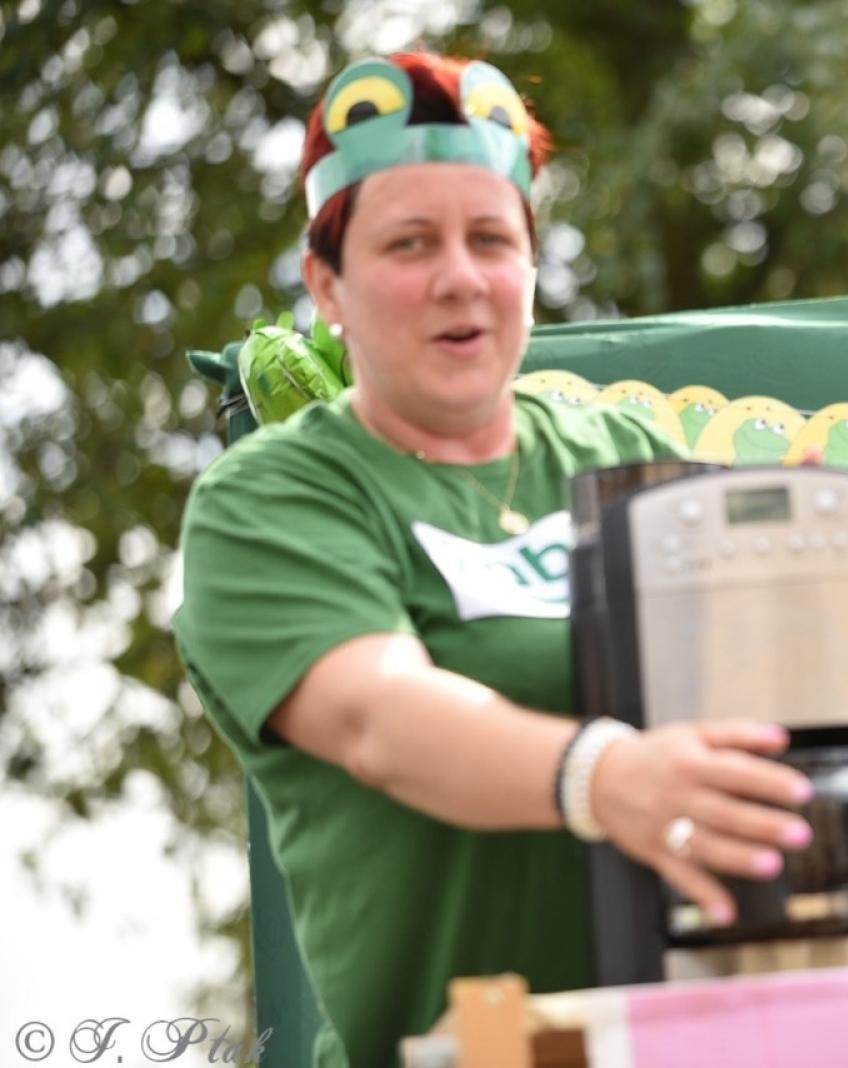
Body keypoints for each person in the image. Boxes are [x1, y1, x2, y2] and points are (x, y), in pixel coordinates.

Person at [173, 53, 814, 1067]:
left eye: (490, 239)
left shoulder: (632, 461)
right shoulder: (269, 502)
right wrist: (604, 777)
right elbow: (383, 716)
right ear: (325, 285)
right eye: (409, 243)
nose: (460, 276)